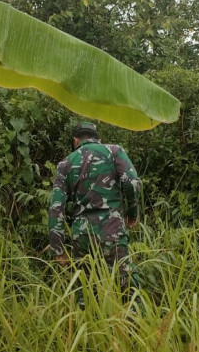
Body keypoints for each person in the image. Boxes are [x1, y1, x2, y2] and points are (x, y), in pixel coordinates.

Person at [48, 121, 142, 292]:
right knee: (127, 289)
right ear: (98, 139)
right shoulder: (114, 152)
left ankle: (87, 317)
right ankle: (133, 317)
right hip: (111, 230)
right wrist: (132, 213)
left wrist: (58, 248)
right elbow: (133, 184)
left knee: (87, 291)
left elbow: (56, 208)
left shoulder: (65, 164)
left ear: (75, 141)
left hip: (81, 236)